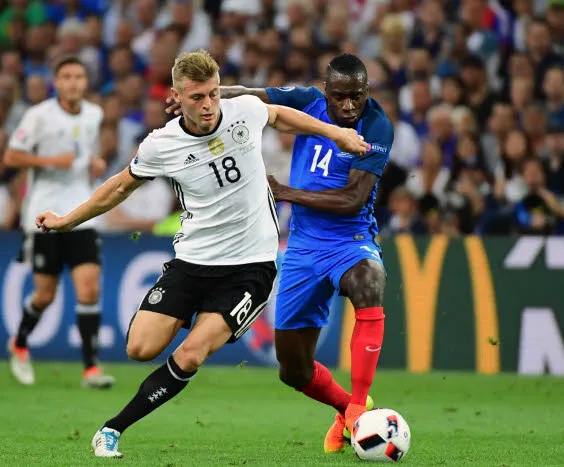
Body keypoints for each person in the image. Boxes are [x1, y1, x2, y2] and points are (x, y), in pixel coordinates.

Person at [34, 50, 370, 458]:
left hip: (250, 267)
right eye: (197, 97)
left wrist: (337, 134)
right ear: (177, 97)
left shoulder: (243, 111)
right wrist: (67, 220)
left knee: (190, 355)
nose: (209, 105)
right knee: (139, 348)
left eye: (213, 93)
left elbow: (280, 115)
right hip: (193, 261)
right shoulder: (161, 144)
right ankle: (191, 316)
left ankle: (112, 429)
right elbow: (119, 187)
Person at [166, 53, 393, 453]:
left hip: (350, 239)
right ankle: (348, 410)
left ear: (366, 91)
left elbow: (353, 200)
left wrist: (285, 192)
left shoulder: (376, 125)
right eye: (339, 96)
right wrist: (210, 96)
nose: (348, 106)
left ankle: (359, 404)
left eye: (356, 96)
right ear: (326, 91)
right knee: (293, 370)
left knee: (368, 281)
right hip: (303, 246)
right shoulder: (307, 100)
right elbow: (249, 94)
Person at [3, 56, 113, 389]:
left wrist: (94, 163)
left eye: (79, 76)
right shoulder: (39, 115)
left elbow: (85, 152)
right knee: (45, 295)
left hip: (81, 212)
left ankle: (90, 369)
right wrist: (51, 161)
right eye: (66, 77)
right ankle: (19, 343)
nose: (73, 83)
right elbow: (11, 156)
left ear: (86, 82)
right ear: (56, 83)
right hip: (43, 214)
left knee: (89, 289)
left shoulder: (94, 114)